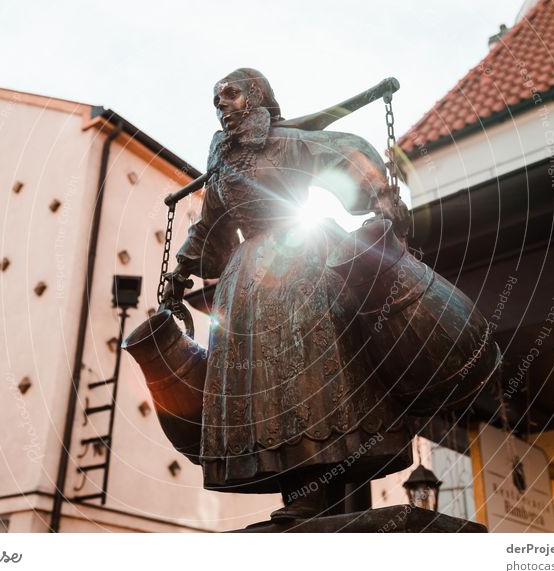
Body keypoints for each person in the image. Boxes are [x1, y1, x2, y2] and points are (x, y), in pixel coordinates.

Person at [163, 68, 413, 521]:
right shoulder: (221, 158)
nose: (222, 105)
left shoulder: (292, 141)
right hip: (246, 277)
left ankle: (327, 487)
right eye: (216, 100)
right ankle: (297, 493)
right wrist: (182, 268)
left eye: (231, 94)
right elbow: (209, 221)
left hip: (303, 259)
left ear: (257, 97)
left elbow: (346, 150)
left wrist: (380, 193)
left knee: (311, 375)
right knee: (262, 388)